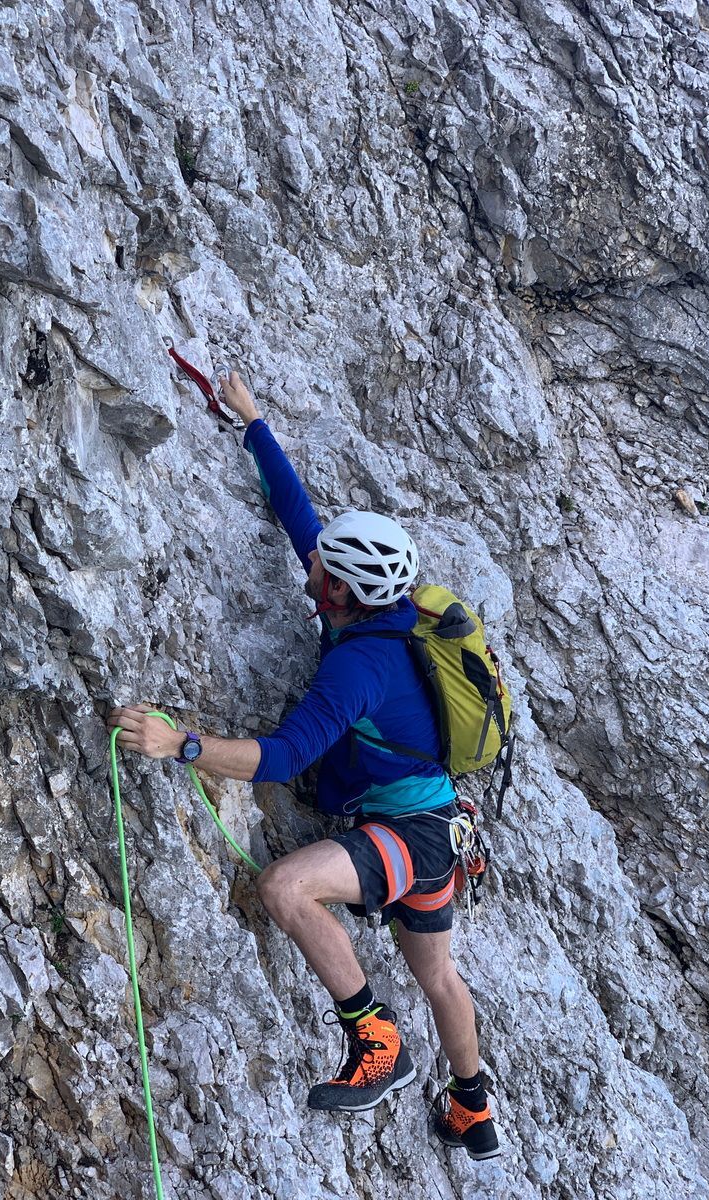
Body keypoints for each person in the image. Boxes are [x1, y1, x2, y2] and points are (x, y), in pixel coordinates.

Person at [108, 372, 501, 1160]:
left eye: (322, 572)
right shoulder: (378, 613)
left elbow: (281, 758)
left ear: (344, 592)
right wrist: (254, 425)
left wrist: (179, 744)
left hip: (408, 832)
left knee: (285, 887)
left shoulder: (358, 670)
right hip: (440, 830)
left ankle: (374, 1040)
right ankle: (472, 1109)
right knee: (441, 977)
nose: (309, 571)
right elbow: (303, 522)